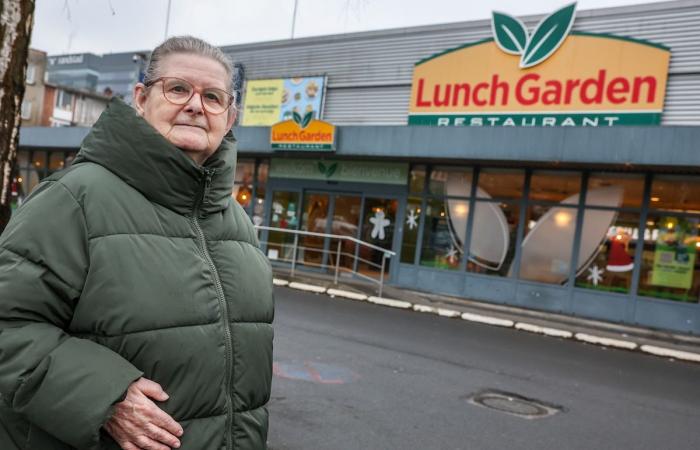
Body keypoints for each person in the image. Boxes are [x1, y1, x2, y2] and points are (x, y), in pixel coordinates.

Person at [0, 36, 274, 449]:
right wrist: (104, 397)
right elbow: (9, 325)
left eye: (213, 96)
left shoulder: (235, 220)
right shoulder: (75, 198)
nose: (196, 105)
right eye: (178, 88)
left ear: (229, 116)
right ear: (142, 98)